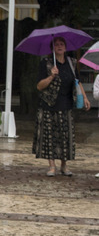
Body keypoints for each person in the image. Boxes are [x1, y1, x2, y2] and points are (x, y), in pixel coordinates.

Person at [32, 36, 90, 177]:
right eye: (56, 44)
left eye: (62, 44)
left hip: (66, 104)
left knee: (66, 137)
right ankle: (52, 166)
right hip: (49, 105)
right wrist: (51, 76)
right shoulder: (46, 63)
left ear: (65, 47)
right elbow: (39, 86)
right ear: (52, 48)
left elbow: (77, 81)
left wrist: (85, 97)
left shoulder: (71, 63)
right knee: (49, 137)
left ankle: (64, 166)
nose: (59, 46)